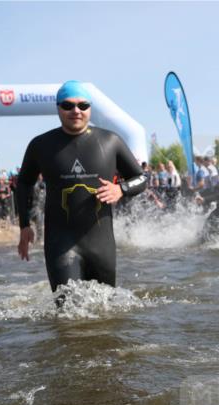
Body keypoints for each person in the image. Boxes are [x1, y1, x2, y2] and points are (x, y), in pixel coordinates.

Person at [15, 80, 147, 294]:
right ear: (58, 108)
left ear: (90, 108)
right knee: (67, 310)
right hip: (61, 245)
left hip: (101, 245)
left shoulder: (110, 141)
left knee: (105, 313)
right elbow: (24, 183)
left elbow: (141, 178)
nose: (76, 111)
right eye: (67, 105)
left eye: (82, 105)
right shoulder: (41, 145)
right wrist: (24, 225)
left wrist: (120, 189)